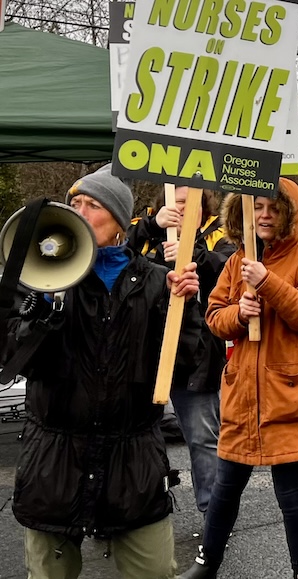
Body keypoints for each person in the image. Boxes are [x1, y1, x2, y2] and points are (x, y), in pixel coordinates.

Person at [8, 164, 203, 579]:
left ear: (119, 220)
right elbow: (14, 359)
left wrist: (184, 309)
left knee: (153, 571)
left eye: (93, 204)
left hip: (132, 463)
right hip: (55, 462)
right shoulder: (43, 277)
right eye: (74, 202)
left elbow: (183, 364)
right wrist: (42, 308)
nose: (79, 211)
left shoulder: (155, 282)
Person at [179, 179, 298, 579]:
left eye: (273, 207)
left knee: (291, 492)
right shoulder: (237, 261)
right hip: (244, 397)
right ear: (243, 213)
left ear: (290, 213)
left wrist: (267, 282)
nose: (264, 215)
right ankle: (206, 563)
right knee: (226, 487)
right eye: (257, 207)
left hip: (292, 398)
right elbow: (216, 318)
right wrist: (240, 313)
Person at [128, 185, 235, 517]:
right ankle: (131, 506)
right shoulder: (145, 228)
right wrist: (152, 228)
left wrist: (194, 254)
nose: (185, 210)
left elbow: (230, 270)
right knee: (132, 435)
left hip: (197, 358)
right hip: (144, 355)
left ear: (204, 205)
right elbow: (116, 254)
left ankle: (213, 514)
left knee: (204, 440)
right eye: (178, 204)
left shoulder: (220, 232)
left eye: (192, 204)